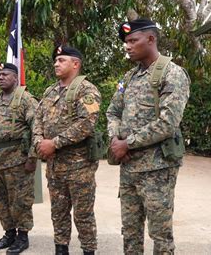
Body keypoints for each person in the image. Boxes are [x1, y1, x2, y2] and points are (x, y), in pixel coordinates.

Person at [106, 17, 190, 254]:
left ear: (151, 39)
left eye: (133, 40)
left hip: (157, 169)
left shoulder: (172, 74)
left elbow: (168, 123)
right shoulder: (129, 77)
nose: (127, 46)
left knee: (160, 234)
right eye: (126, 42)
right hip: (129, 166)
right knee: (130, 231)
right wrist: (114, 139)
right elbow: (112, 111)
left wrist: (127, 143)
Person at [33, 46, 101, 255]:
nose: (56, 63)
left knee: (83, 214)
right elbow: (38, 118)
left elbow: (87, 123)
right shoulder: (50, 91)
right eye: (55, 60)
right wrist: (38, 141)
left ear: (75, 64)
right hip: (54, 166)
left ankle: (89, 250)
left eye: (61, 60)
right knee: (58, 212)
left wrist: (54, 143)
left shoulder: (88, 90)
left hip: (79, 166)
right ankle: (61, 249)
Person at [0, 63, 38, 254]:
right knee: (1, 201)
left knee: (20, 201)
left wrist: (32, 158)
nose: (1, 77)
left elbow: (37, 128)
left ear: (15, 77)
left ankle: (22, 237)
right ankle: (9, 233)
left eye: (5, 74)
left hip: (17, 160)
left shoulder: (25, 99)